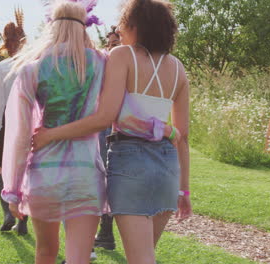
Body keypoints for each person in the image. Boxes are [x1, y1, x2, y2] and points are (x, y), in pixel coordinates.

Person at [32, 0, 193, 263]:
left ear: (135, 26)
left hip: (130, 161)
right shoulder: (177, 67)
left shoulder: (122, 55)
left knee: (141, 259)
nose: (118, 30)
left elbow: (104, 118)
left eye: (122, 25)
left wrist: (50, 134)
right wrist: (184, 191)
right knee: (146, 254)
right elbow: (181, 136)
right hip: (168, 168)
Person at [1, 2, 107, 263]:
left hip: (44, 174)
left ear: (51, 27)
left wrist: (12, 190)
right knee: (79, 257)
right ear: (85, 27)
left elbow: (20, 136)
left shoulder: (31, 70)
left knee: (45, 253)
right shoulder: (102, 63)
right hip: (86, 174)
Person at [0, 13, 28, 235]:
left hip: (7, 120)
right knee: (25, 169)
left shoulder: (2, 68)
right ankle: (22, 219)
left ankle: (7, 212)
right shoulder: (33, 64)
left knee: (1, 168)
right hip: (28, 119)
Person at [94, 25, 121, 251]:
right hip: (100, 127)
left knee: (109, 179)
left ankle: (105, 233)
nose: (111, 48)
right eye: (109, 44)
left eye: (116, 44)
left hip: (117, 129)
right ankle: (105, 234)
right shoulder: (101, 65)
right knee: (99, 177)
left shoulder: (126, 67)